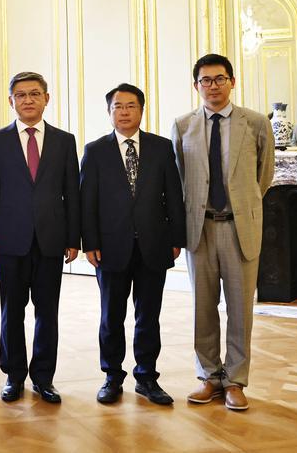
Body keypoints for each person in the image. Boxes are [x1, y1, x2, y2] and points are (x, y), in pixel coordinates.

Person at [172, 53, 275, 411]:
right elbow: (181, 180)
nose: (212, 86)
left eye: (219, 79)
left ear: (232, 82)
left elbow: (264, 177)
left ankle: (235, 380)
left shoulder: (256, 123)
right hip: (199, 229)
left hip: (238, 227)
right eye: (205, 80)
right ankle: (208, 376)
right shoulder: (183, 126)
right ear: (196, 85)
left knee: (240, 308)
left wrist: (242, 207)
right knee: (203, 307)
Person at [80, 83, 186, 406]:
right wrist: (90, 243)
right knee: (111, 316)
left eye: (131, 106)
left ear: (141, 110)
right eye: (118, 106)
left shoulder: (161, 147)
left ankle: (147, 377)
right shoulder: (95, 151)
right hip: (110, 247)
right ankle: (112, 376)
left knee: (148, 316)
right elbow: (87, 202)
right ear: (109, 112)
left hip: (154, 245)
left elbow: (174, 197)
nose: (124, 112)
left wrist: (176, 239)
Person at [0, 71, 80, 404]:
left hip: (51, 239)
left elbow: (72, 193)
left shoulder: (64, 141)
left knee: (47, 311)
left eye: (35, 94)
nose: (28, 100)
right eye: (21, 95)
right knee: (12, 310)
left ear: (46, 99)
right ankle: (13, 376)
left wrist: (73, 238)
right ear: (11, 101)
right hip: (10, 239)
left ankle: (44, 378)